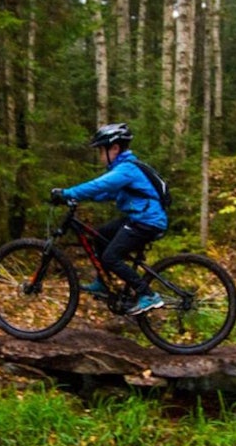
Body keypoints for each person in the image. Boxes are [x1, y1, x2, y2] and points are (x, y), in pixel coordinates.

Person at [50, 123, 167, 315]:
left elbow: (100, 185)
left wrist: (68, 193)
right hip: (140, 218)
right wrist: (80, 197)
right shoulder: (126, 169)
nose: (100, 156)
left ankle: (148, 294)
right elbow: (107, 193)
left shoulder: (126, 169)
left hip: (146, 222)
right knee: (100, 236)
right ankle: (103, 283)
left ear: (114, 148)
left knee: (111, 257)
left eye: (101, 151)